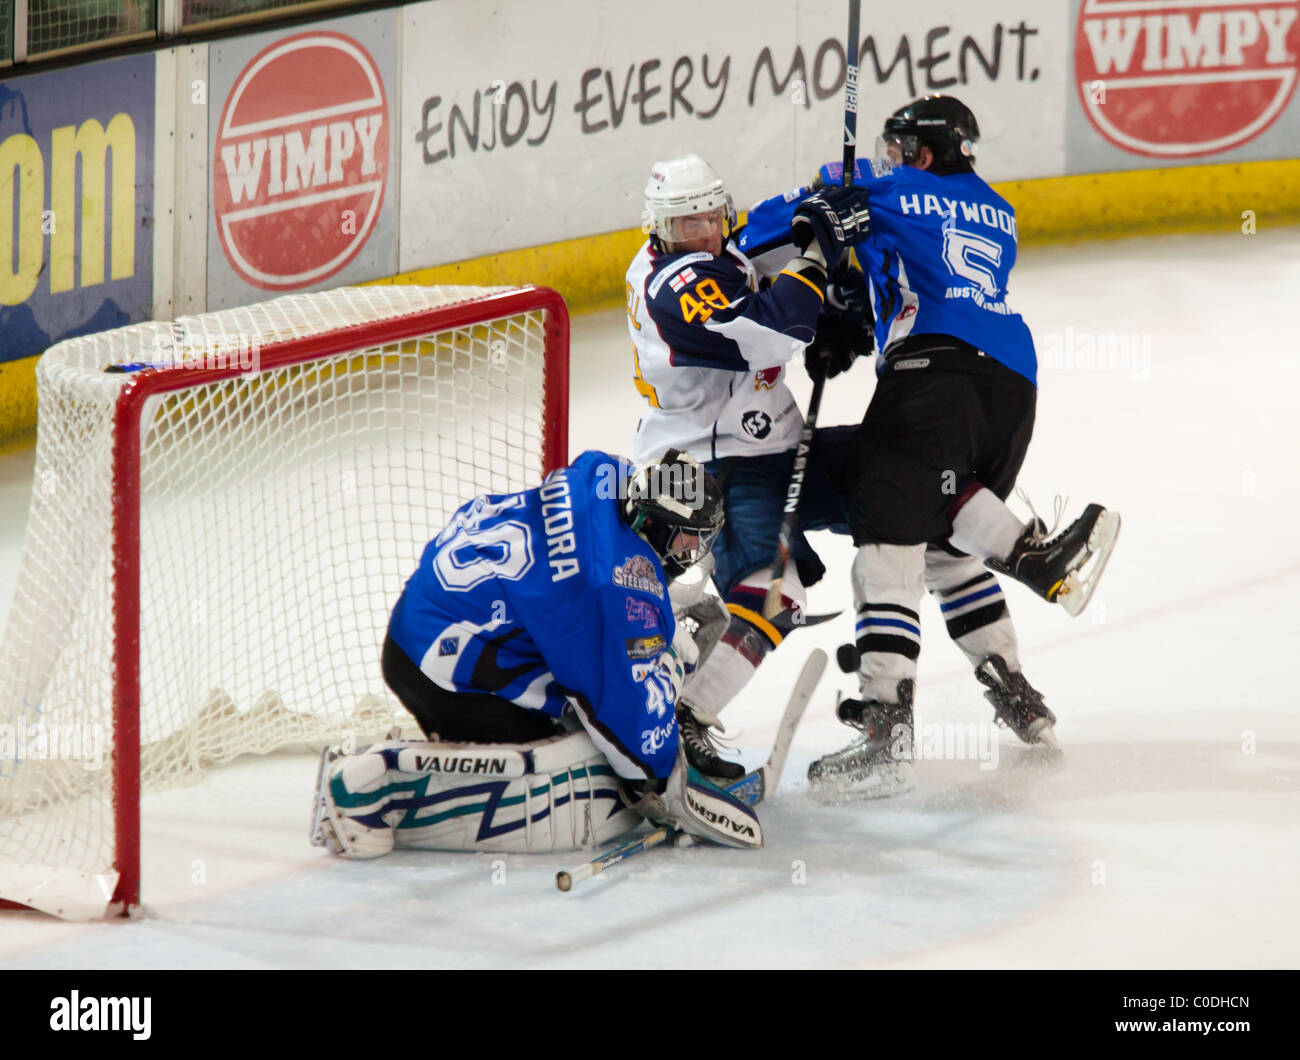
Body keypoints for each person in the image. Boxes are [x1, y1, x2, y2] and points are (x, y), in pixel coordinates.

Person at [739, 95, 1121, 794]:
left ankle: (888, 729)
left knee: (885, 546)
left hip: (931, 381)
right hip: (1011, 388)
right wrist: (850, 309)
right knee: (945, 538)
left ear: (919, 151)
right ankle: (1020, 695)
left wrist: (823, 193)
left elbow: (756, 239)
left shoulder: (891, 189)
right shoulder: (995, 209)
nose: (887, 158)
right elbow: (899, 270)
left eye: (897, 148)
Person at [310, 448, 767, 856]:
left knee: (588, 704)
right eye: (687, 541)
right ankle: (376, 790)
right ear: (654, 523)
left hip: (430, 619)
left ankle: (434, 751)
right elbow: (626, 724)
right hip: (444, 668)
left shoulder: (608, 475)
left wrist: (655, 619)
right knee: (585, 771)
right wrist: (666, 773)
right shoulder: (613, 588)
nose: (693, 554)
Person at [626, 154, 871, 781]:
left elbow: (775, 221)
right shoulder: (675, 282)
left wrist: (829, 194)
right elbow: (771, 331)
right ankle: (685, 717)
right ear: (659, 232)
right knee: (775, 593)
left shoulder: (717, 246)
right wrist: (816, 265)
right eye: (688, 227)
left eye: (712, 217)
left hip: (768, 444)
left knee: (899, 480)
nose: (705, 233)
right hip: (711, 466)